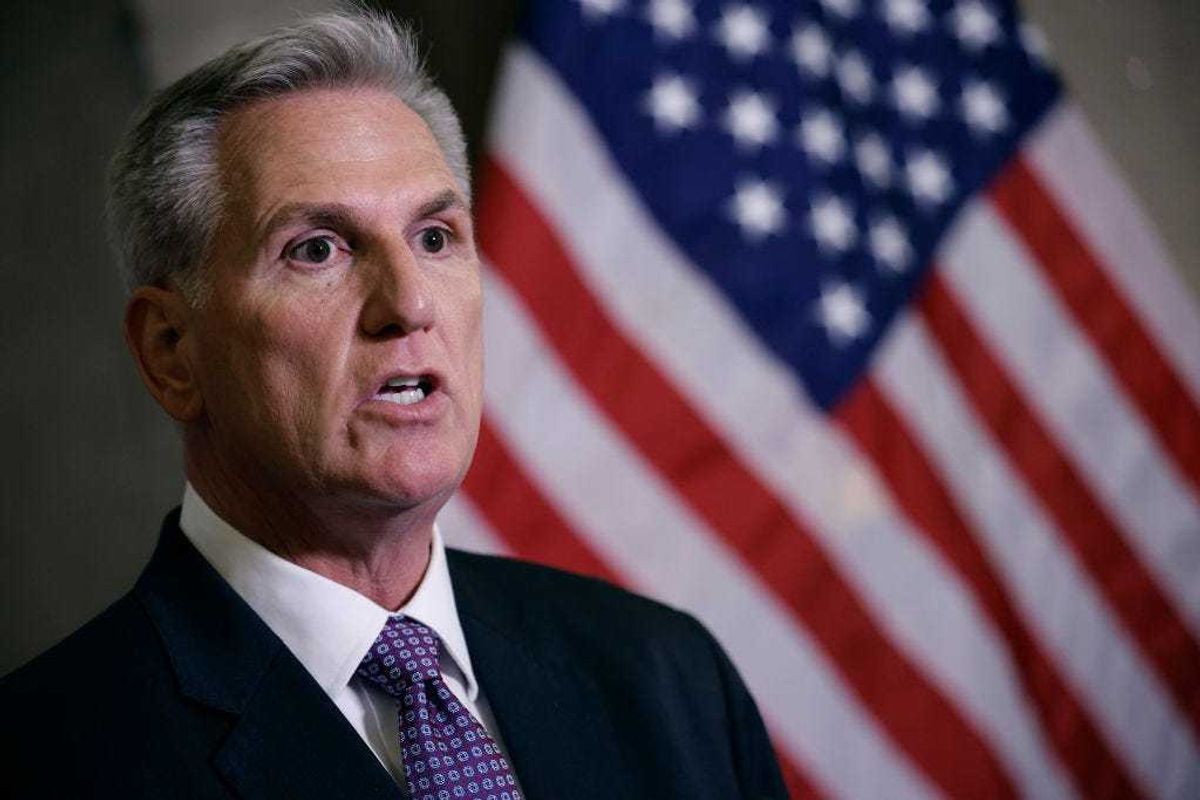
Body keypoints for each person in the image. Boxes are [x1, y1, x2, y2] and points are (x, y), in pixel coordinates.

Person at [0, 10, 786, 799]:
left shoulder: (673, 685)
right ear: (171, 352)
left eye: (436, 237)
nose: (408, 304)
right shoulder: (46, 756)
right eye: (317, 249)